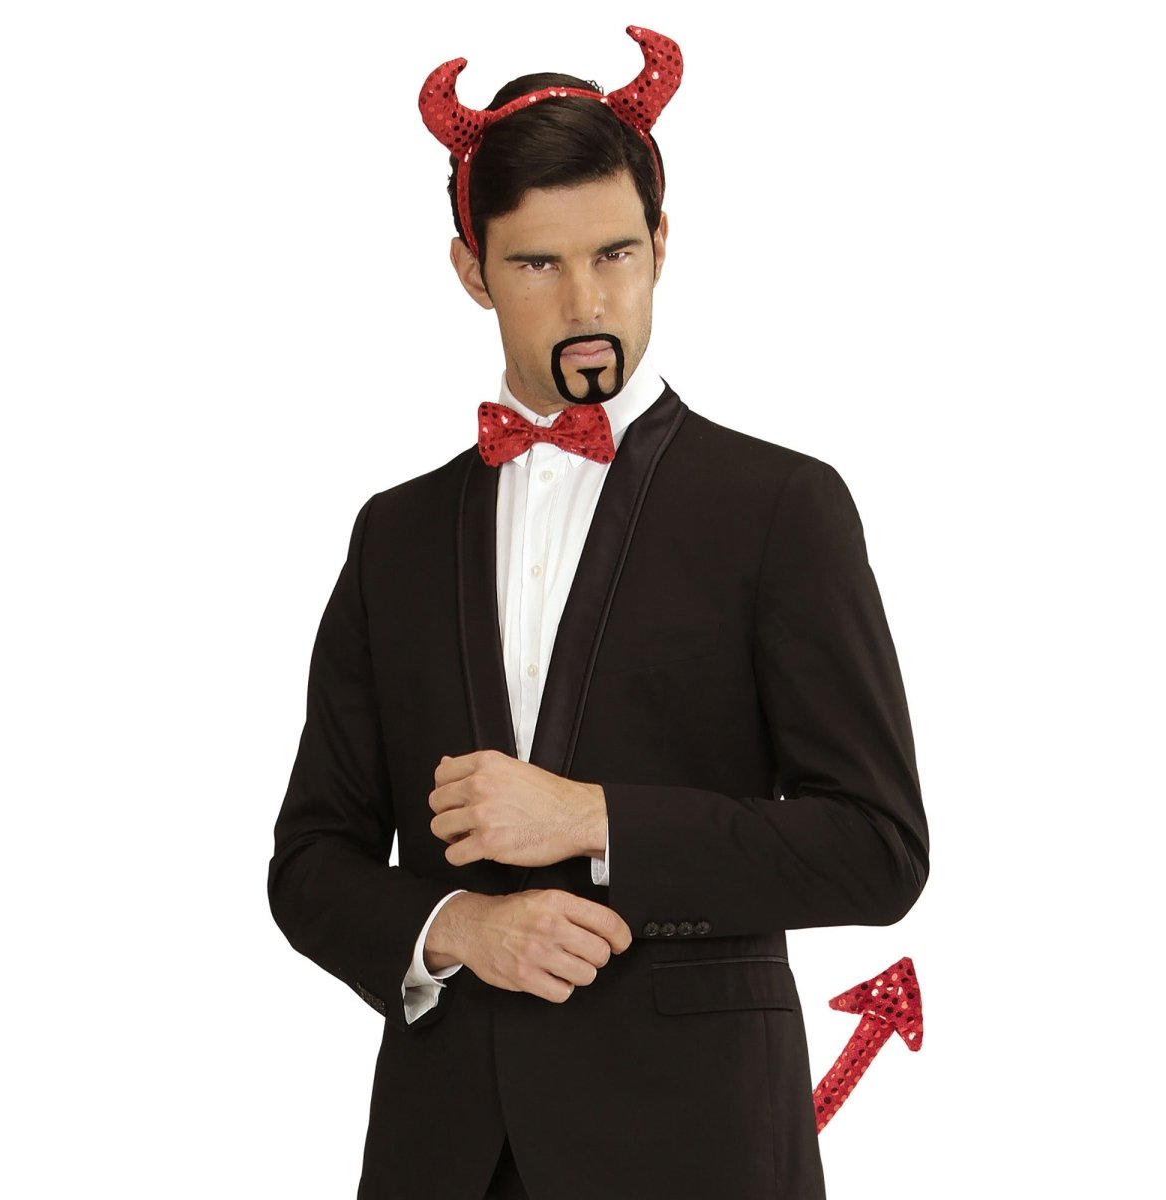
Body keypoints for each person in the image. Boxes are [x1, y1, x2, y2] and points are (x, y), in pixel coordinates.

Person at [268, 26, 929, 1200]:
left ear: (662, 245)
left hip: (699, 1153)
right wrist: (457, 926)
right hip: (445, 1155)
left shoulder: (782, 506)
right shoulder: (394, 535)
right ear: (471, 270)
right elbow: (311, 864)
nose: (587, 301)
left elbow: (877, 851)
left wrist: (593, 818)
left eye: (615, 253)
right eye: (537, 265)